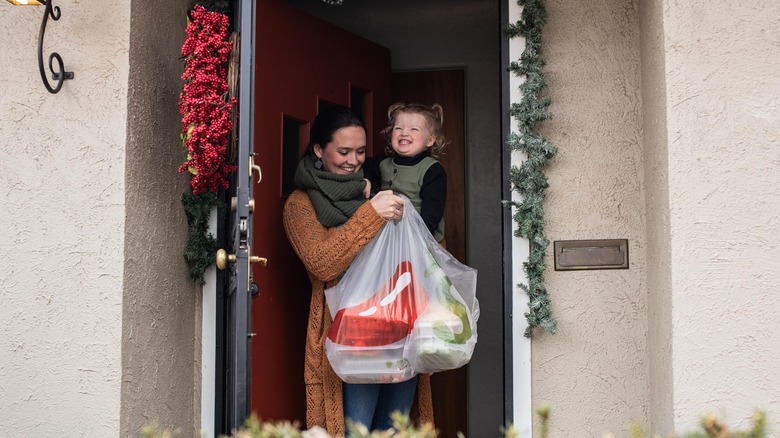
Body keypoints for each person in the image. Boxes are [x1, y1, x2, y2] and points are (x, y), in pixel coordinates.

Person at [282, 105, 434, 435]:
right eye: (344, 151)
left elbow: (421, 253)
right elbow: (322, 264)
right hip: (347, 337)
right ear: (320, 150)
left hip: (400, 328)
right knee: (356, 431)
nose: (354, 160)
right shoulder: (300, 204)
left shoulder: (378, 188)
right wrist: (371, 215)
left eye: (362, 151)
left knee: (396, 430)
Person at [375, 102, 448, 242]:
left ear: (430, 140)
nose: (404, 133)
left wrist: (419, 241)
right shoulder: (383, 163)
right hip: (389, 240)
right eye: (398, 128)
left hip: (422, 240)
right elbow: (361, 169)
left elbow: (432, 212)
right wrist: (366, 181)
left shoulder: (432, 170)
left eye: (414, 129)